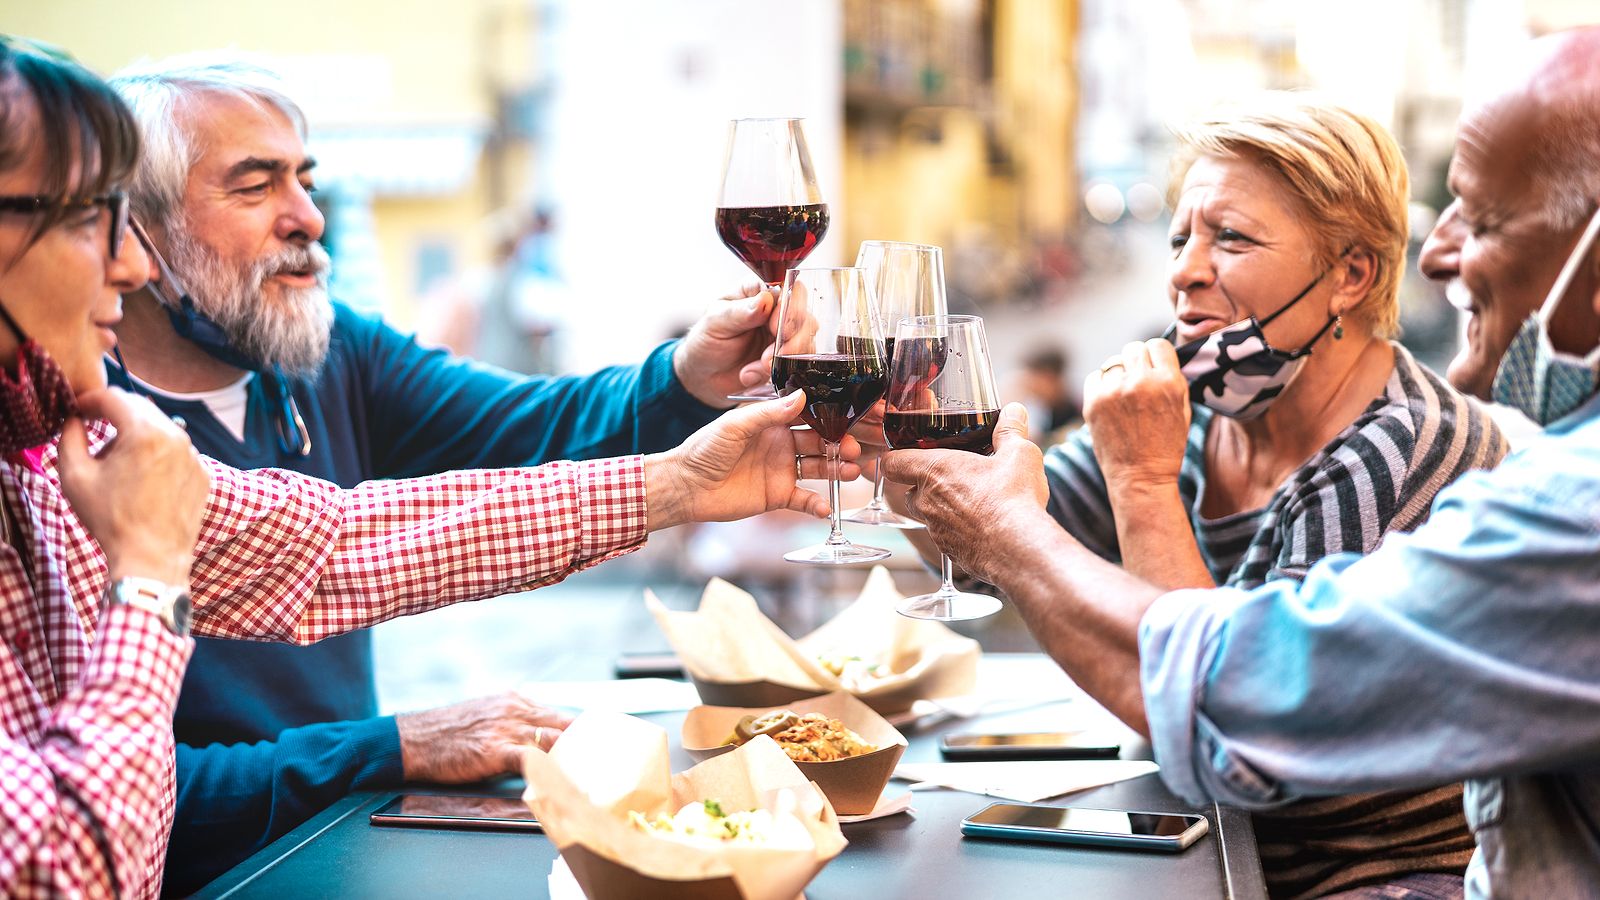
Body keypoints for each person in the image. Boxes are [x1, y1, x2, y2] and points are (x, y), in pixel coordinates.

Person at [0, 39, 857, 897]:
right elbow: (73, 852)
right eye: (256, 185)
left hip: (329, 842)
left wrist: (682, 448)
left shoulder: (117, 424)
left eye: (305, 178)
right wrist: (155, 587)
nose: (309, 216)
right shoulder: (70, 446)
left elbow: (345, 544)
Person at [885, 26, 1600, 898]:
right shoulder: (1198, 405)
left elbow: (1244, 755)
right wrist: (913, 454)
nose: (1184, 272)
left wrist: (1141, 490)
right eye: (1180, 236)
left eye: (1231, 238)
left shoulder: (1399, 449)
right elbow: (999, 547)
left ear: (1350, 275)